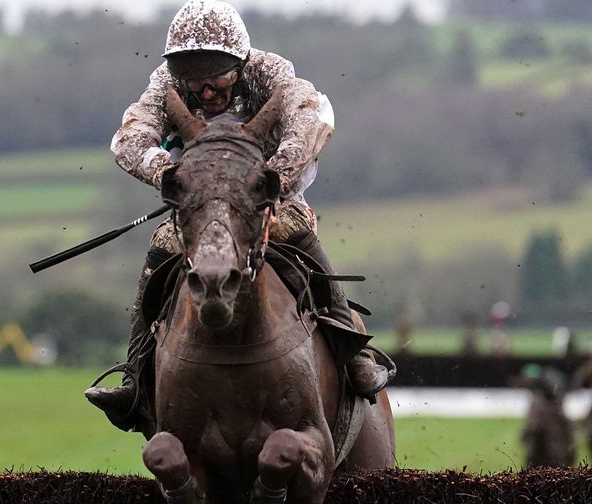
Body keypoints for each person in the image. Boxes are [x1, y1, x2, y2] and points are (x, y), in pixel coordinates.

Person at [85, 0, 388, 429]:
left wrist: (271, 177)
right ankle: (136, 372)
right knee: (162, 247)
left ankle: (351, 348)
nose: (206, 93)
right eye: (195, 82)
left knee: (294, 231)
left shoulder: (272, 73)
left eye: (219, 79)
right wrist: (169, 174)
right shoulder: (164, 84)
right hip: (201, 210)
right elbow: (131, 137)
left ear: (241, 65)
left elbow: (309, 119)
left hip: (269, 201)